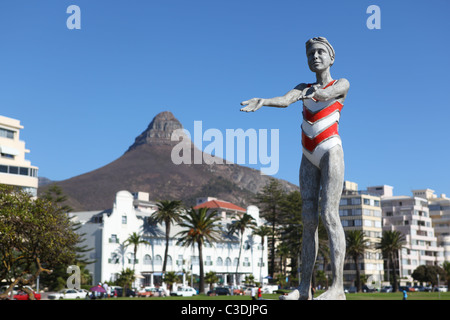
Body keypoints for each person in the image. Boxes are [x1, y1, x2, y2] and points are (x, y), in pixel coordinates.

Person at [241, 37, 349, 300]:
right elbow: (285, 99)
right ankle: (304, 289)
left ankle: (337, 288)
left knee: (329, 214)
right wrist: (264, 101)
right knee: (308, 219)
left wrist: (319, 93)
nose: (315, 56)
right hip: (307, 154)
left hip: (330, 151)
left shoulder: (341, 83)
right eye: (311, 53)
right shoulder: (303, 87)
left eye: (321, 52)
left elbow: (328, 93)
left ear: (331, 57)